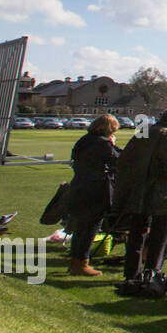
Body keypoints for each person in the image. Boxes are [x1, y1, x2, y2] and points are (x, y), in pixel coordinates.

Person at [115, 106, 167, 288]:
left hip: (138, 190)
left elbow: (125, 158)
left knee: (136, 234)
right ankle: (152, 274)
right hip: (159, 192)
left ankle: (131, 273)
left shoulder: (144, 131)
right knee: (161, 235)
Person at [65, 114, 120, 277]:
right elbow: (118, 160)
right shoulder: (103, 144)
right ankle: (81, 262)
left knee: (81, 227)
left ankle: (75, 261)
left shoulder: (84, 140)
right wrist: (113, 145)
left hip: (79, 187)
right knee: (90, 229)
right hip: (95, 190)